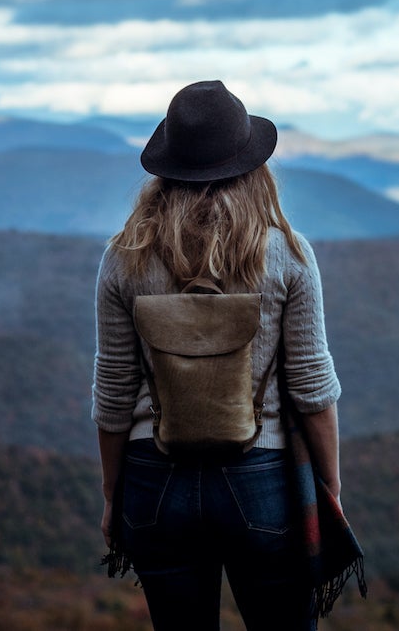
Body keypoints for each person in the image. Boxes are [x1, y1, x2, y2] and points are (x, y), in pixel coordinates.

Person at [93, 80, 343, 631]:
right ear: (252, 168)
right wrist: (330, 490)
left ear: (165, 172)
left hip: (153, 482)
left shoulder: (123, 259)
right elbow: (312, 390)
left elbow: (113, 396)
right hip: (261, 480)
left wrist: (114, 496)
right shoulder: (289, 255)